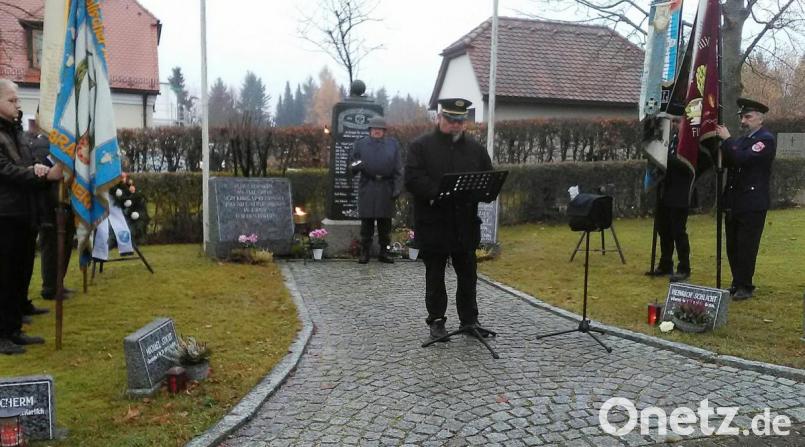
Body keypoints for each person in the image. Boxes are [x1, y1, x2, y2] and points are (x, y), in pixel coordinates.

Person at [404, 98, 493, 340]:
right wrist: (437, 192)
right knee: (435, 275)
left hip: (464, 224)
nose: (455, 125)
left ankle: (469, 320)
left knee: (468, 275)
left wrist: (485, 190)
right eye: (450, 120)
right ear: (439, 118)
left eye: (460, 121)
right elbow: (412, 179)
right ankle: (436, 321)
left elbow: (487, 176)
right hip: (434, 224)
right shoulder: (420, 146)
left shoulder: (475, 149)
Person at [0, 79, 61, 354]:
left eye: (18, 101)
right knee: (4, 276)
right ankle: (2, 335)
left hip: (23, 212)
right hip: (5, 215)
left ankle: (13, 329)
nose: (18, 105)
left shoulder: (14, 130)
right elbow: (6, 170)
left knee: (20, 273)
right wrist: (40, 174)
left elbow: (23, 163)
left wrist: (38, 169)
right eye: (12, 100)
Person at [715, 98, 776, 301]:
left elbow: (742, 158)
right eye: (742, 117)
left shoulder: (765, 140)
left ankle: (745, 285)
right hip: (734, 200)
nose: (744, 121)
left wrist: (727, 140)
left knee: (746, 245)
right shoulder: (741, 141)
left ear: (760, 119)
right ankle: (736, 280)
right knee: (732, 244)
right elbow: (730, 158)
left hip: (752, 201)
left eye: (748, 117)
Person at [28, 116, 76, 300]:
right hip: (50, 203)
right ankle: (50, 287)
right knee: (51, 246)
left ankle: (58, 283)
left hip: (65, 201)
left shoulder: (63, 143)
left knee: (64, 243)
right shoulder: (42, 144)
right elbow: (42, 172)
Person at [349, 116, 403, 264]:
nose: (377, 131)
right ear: (370, 130)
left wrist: (397, 188)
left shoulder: (393, 145)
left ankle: (384, 252)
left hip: (386, 187)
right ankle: (364, 252)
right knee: (366, 224)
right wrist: (356, 165)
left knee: (385, 224)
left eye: (379, 129)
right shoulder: (360, 144)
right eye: (374, 129)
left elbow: (399, 169)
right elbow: (352, 164)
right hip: (368, 186)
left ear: (384, 131)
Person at [647, 117, 694, 282]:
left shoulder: (688, 143)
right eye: (672, 122)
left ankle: (684, 267)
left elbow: (687, 167)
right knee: (663, 229)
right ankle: (665, 263)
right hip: (665, 190)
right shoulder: (671, 140)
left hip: (680, 192)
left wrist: (664, 157)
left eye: (677, 122)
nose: (674, 125)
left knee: (678, 231)